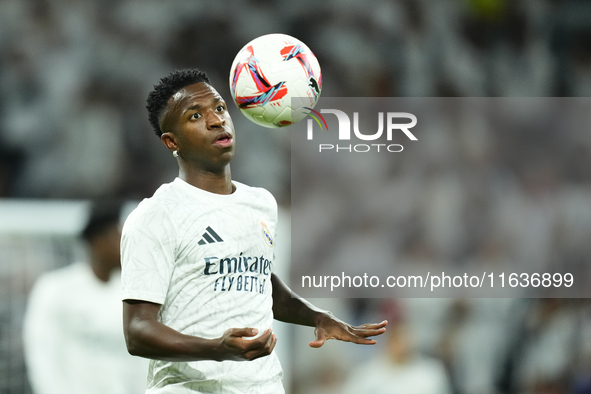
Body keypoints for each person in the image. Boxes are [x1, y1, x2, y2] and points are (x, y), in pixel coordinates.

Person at [120, 69, 388, 393]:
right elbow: (137, 331)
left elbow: (261, 284)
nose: (217, 120)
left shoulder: (260, 203)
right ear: (171, 141)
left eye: (219, 108)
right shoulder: (156, 215)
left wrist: (318, 317)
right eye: (195, 115)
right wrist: (217, 349)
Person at [23, 201, 148, 394]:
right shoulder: (55, 289)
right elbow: (42, 354)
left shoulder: (136, 296)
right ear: (97, 241)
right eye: (119, 236)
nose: (128, 246)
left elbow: (142, 364)